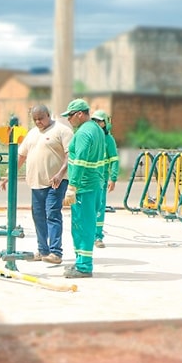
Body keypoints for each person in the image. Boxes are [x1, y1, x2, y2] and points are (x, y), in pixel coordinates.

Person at [11, 104, 72, 264]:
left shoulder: (62, 131)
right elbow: (21, 156)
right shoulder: (31, 134)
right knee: (38, 217)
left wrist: (60, 174)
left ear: (48, 115)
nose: (38, 122)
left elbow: (69, 156)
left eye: (41, 118)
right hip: (36, 184)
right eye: (35, 119)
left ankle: (55, 252)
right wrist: (9, 175)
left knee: (52, 214)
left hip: (55, 183)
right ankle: (43, 250)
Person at [60, 98, 105, 279]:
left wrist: (72, 186)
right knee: (83, 224)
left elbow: (79, 162)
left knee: (82, 225)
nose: (68, 119)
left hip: (84, 186)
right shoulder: (96, 129)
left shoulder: (84, 133)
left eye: (70, 116)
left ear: (80, 114)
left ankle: (84, 266)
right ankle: (80, 262)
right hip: (93, 184)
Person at [91, 109, 120, 249]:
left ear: (105, 123)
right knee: (87, 208)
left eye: (100, 121)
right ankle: (88, 235)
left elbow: (114, 159)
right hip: (88, 179)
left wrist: (113, 178)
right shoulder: (89, 136)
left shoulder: (109, 140)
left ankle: (98, 236)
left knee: (99, 208)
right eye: (94, 120)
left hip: (101, 180)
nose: (97, 123)